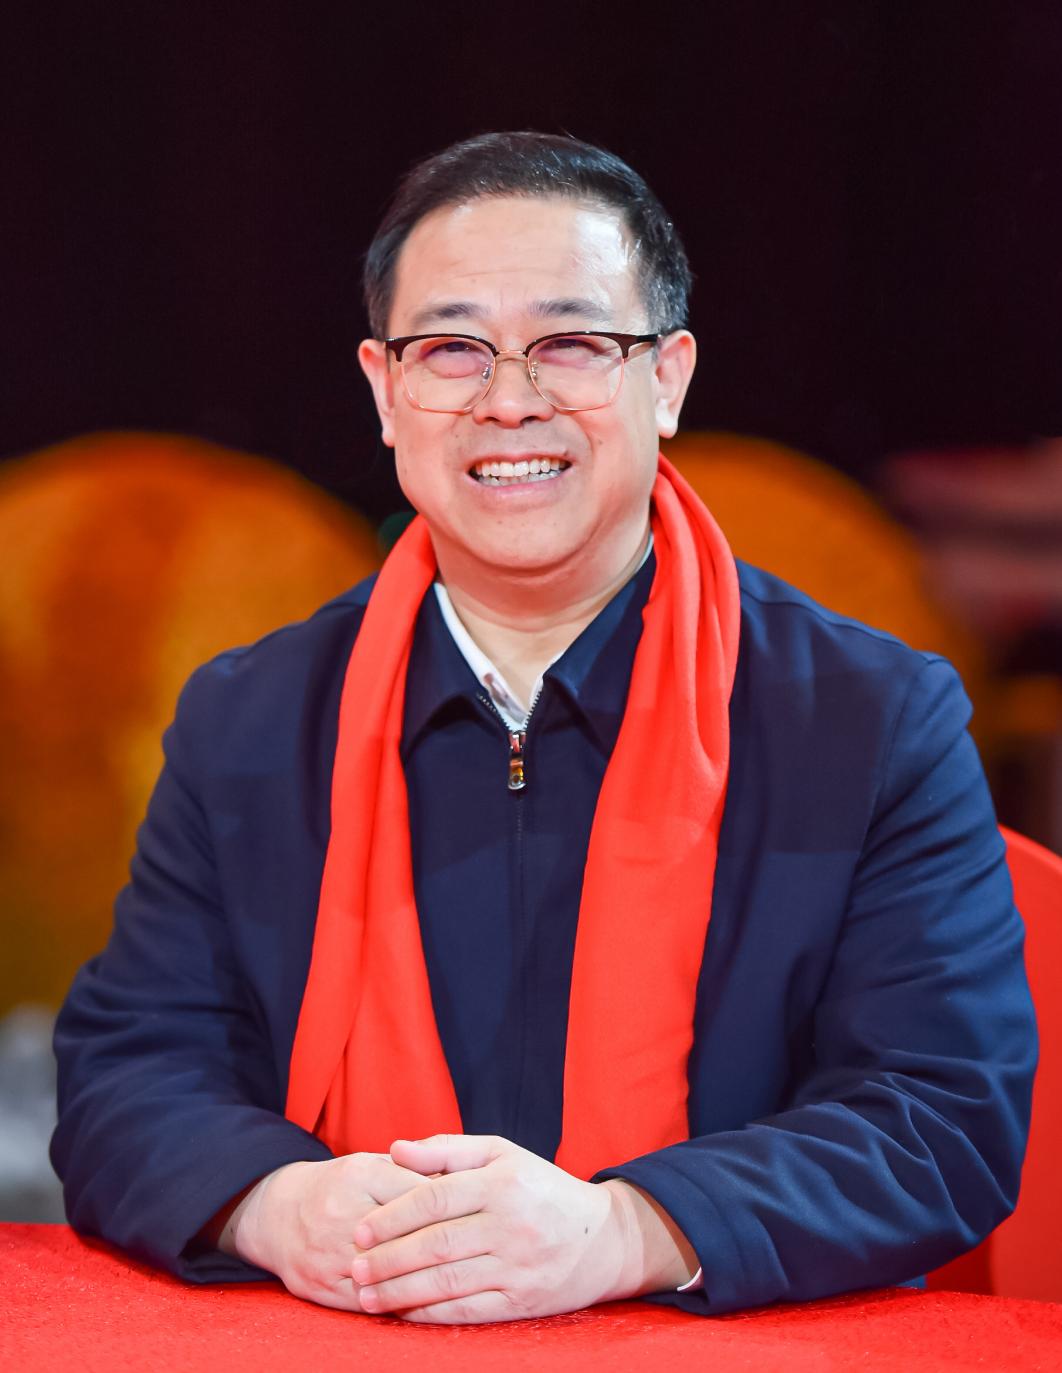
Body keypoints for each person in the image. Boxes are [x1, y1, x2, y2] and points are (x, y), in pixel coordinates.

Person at [51, 132, 1036, 1325]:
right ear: (385, 390)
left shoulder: (869, 717)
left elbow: (941, 1116)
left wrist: (625, 1230)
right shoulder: (250, 719)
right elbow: (127, 1070)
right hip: (343, 1331)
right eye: (451, 348)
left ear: (667, 378)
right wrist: (274, 1202)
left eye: (572, 343)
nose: (510, 399)